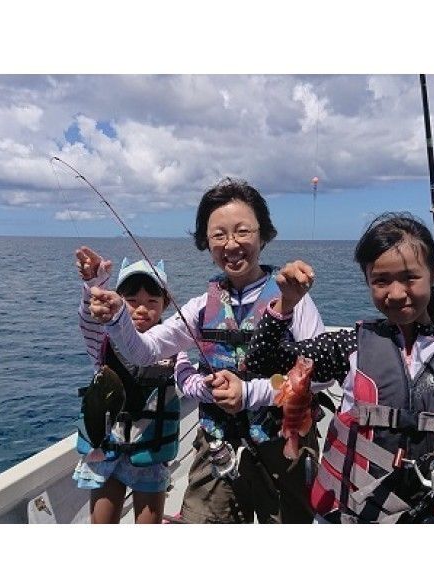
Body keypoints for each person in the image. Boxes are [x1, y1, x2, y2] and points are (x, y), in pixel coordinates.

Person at [245, 212, 434, 523]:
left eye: (410, 278)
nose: (396, 294)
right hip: (351, 515)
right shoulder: (349, 346)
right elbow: (260, 363)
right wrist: (285, 304)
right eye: (381, 281)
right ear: (367, 281)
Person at [88, 178, 327, 523]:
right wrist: (117, 317)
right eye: (218, 235)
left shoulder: (294, 299)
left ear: (264, 235)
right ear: (206, 242)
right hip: (217, 446)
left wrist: (249, 393)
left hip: (282, 443)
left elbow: (317, 377)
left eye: (243, 231)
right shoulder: (202, 307)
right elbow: (145, 350)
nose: (231, 244)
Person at [73, 248, 188, 524]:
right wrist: (94, 284)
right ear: (118, 301)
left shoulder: (173, 347)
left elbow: (186, 377)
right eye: (131, 300)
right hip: (107, 449)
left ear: (166, 304)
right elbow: (90, 316)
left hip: (150, 454)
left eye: (152, 301)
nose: (141, 308)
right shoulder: (102, 338)